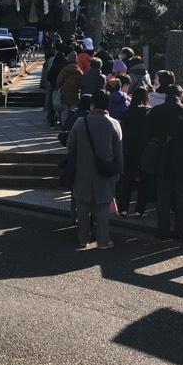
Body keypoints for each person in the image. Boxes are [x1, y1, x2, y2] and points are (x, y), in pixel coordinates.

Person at [145, 84, 183, 241]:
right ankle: (181, 231)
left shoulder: (155, 111)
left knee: (163, 197)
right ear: (181, 95)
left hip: (162, 159)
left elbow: (147, 133)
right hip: (182, 160)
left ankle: (163, 231)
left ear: (165, 96)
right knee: (182, 197)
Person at [67, 89, 123, 249]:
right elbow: (119, 151)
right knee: (103, 206)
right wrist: (119, 171)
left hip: (82, 170)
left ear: (92, 105)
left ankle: (83, 239)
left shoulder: (80, 123)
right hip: (105, 171)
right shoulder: (114, 124)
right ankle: (103, 240)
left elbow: (71, 146)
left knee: (83, 206)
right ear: (108, 105)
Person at [118, 87, 150, 217]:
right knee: (144, 181)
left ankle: (123, 208)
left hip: (128, 149)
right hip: (143, 149)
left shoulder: (127, 113)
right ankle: (139, 210)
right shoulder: (148, 113)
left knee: (127, 179)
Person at [56, 51, 82, 125]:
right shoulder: (79, 71)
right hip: (76, 94)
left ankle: (64, 125)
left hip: (65, 93)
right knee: (73, 110)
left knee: (65, 110)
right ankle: (72, 125)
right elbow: (82, 83)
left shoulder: (65, 70)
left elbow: (58, 81)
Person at [46, 44, 67, 127]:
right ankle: (62, 121)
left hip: (53, 85)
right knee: (61, 103)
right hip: (62, 85)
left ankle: (52, 121)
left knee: (51, 104)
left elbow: (49, 74)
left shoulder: (53, 60)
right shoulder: (65, 61)